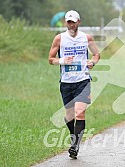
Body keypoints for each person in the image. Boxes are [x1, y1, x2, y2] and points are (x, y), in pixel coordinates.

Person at [48, 10, 100, 159]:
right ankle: (73, 136)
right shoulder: (59, 39)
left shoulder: (87, 38)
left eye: (73, 21)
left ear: (79, 22)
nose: (71, 24)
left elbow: (97, 54)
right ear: (66, 23)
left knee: (80, 113)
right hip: (66, 83)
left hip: (83, 81)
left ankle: (75, 146)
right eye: (68, 22)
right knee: (69, 115)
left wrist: (93, 62)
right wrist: (62, 61)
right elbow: (50, 59)